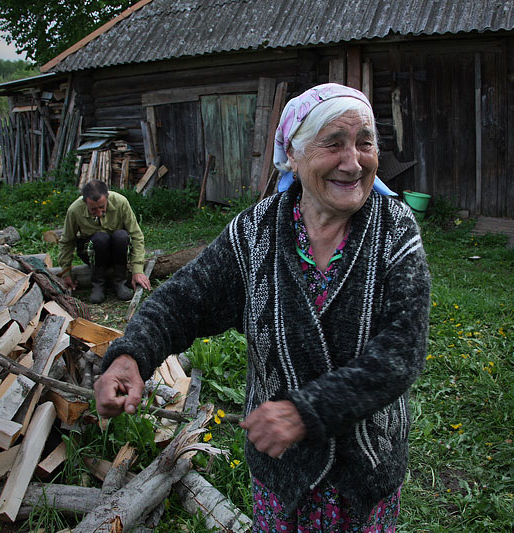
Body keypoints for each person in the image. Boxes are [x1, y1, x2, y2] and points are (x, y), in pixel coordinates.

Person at [94, 83, 431, 531]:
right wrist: (132, 355)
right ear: (293, 154)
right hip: (281, 472)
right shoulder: (255, 232)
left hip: (364, 470)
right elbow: (185, 299)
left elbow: (401, 351)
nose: (353, 162)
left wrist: (306, 411)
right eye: (333, 144)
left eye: (364, 143)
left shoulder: (394, 229)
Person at [58, 180, 151, 303]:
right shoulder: (74, 210)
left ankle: (120, 282)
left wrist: (138, 270)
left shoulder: (121, 202)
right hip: (93, 252)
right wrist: (66, 272)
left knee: (121, 236)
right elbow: (67, 241)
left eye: (102, 207)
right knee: (101, 238)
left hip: (118, 251)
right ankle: (98, 284)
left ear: (107, 198)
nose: (99, 213)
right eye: (93, 209)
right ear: (85, 203)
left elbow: (136, 235)